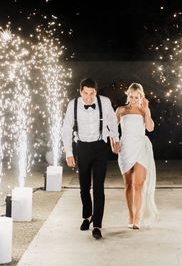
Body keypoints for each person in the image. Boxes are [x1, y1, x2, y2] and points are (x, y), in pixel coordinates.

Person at [62, 78, 120, 239]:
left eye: (92, 93)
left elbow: (112, 122)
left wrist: (116, 139)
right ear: (80, 91)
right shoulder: (72, 105)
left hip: (100, 147)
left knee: (98, 187)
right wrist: (69, 152)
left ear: (96, 92)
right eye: (85, 93)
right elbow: (66, 129)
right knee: (84, 187)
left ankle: (97, 225)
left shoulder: (105, 102)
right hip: (82, 148)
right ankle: (87, 216)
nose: (88, 97)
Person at [115, 82, 158, 229]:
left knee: (138, 185)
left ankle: (137, 218)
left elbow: (150, 128)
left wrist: (146, 110)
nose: (134, 100)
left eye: (137, 97)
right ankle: (130, 216)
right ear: (128, 96)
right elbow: (112, 129)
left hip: (141, 148)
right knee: (128, 185)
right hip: (126, 149)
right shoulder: (121, 110)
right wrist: (113, 143)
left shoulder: (143, 110)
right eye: (131, 97)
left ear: (141, 97)